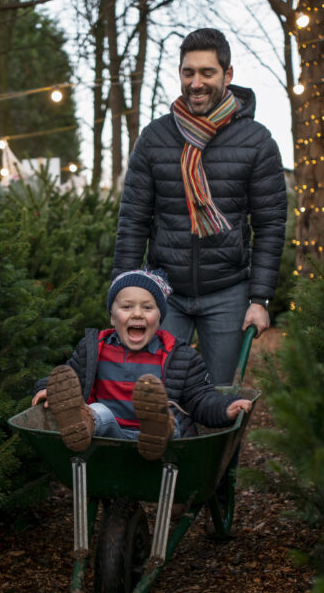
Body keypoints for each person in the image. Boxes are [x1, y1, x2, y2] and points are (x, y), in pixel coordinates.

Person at [112, 27, 288, 387]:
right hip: (164, 293)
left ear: (228, 75)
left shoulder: (256, 142)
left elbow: (270, 224)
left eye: (207, 72)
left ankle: (216, 447)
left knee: (220, 396)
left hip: (227, 294)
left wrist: (260, 299)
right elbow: (133, 220)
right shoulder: (155, 139)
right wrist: (123, 296)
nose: (196, 83)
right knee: (156, 394)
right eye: (188, 72)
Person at [31, 269, 252, 461]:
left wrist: (225, 408)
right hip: (110, 441)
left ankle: (156, 428)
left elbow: (201, 398)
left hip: (165, 445)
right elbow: (69, 381)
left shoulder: (180, 356)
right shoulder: (94, 350)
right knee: (98, 412)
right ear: (112, 317)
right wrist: (47, 389)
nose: (137, 313)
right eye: (127, 307)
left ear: (159, 317)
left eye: (147, 308)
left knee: (169, 421)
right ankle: (80, 425)